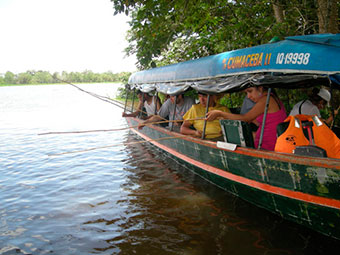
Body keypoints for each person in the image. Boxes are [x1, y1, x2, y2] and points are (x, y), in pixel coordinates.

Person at [206, 86, 287, 150]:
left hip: (267, 145)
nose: (248, 96)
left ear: (260, 88)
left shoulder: (266, 99)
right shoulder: (272, 98)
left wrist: (220, 113)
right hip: (268, 141)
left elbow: (245, 118)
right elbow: (264, 122)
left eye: (250, 91)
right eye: (247, 93)